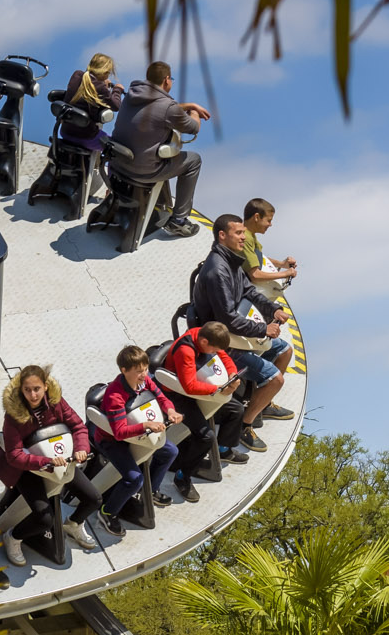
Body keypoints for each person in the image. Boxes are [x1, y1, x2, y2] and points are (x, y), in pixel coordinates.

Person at [191, 215, 297, 449]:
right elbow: (227, 320)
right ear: (222, 236)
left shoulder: (231, 261)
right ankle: (244, 426)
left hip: (233, 331)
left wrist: (274, 309)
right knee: (275, 379)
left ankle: (262, 402)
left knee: (285, 350)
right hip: (223, 343)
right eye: (238, 233)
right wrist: (263, 328)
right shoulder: (218, 271)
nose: (243, 237)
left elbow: (249, 290)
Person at [0, 364, 104, 565]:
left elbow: (78, 427)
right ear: (21, 390)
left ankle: (73, 524)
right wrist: (46, 462)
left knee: (94, 499)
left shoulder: (57, 403)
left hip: (60, 463)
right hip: (28, 470)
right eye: (27, 390)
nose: (33, 394)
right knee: (44, 519)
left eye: (37, 389)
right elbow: (15, 455)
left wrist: (81, 449)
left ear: (45, 386)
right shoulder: (13, 416)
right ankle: (13, 537)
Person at [110, 60, 212, 238]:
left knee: (159, 151)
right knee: (193, 160)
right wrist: (194, 111)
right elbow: (193, 127)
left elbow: (160, 108)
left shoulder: (132, 94)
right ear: (166, 80)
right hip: (141, 170)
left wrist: (186, 106)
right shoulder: (167, 107)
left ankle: (161, 203)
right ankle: (179, 221)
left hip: (117, 162)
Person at [91, 345, 183, 536]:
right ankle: (108, 512)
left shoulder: (144, 382)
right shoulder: (115, 396)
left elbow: (161, 397)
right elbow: (119, 432)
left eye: (145, 369)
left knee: (170, 451)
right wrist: (146, 426)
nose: (144, 374)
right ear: (124, 370)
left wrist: (171, 411)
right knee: (134, 479)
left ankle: (152, 490)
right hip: (113, 441)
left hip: (139, 435)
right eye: (138, 371)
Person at [162, 321, 246, 504]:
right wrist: (218, 389)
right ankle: (182, 476)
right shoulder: (186, 351)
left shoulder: (204, 334)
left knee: (237, 409)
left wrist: (232, 375)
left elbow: (223, 355)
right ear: (205, 343)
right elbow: (189, 386)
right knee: (206, 437)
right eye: (213, 349)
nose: (215, 352)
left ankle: (224, 449)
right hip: (178, 395)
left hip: (200, 388)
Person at [59, 53, 124, 152]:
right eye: (108, 72)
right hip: (86, 138)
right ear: (104, 71)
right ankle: (105, 167)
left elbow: (89, 85)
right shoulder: (100, 87)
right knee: (116, 149)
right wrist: (117, 90)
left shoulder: (77, 75)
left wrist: (102, 83)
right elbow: (116, 106)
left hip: (65, 132)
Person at [243, 197, 297, 291]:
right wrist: (285, 274)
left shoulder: (250, 236)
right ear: (256, 217)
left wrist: (282, 264)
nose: (270, 224)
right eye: (269, 220)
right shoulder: (245, 238)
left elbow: (257, 259)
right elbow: (255, 275)